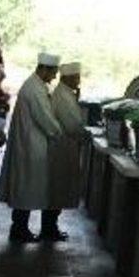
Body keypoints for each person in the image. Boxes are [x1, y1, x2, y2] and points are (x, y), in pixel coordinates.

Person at [0, 52, 64, 243]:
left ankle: (21, 228)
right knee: (25, 190)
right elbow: (46, 120)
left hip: (30, 144)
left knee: (25, 189)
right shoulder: (34, 89)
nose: (54, 76)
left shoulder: (35, 86)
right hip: (31, 146)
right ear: (44, 69)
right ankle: (19, 230)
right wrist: (60, 132)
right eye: (53, 72)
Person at [47, 61, 88, 239]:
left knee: (58, 190)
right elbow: (72, 125)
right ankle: (49, 229)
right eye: (76, 77)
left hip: (65, 147)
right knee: (57, 190)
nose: (78, 81)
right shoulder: (62, 96)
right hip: (61, 148)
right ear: (67, 78)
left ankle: (51, 227)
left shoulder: (66, 93)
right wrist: (84, 134)